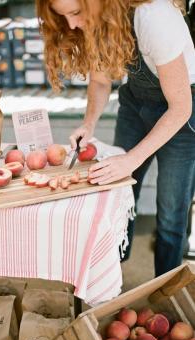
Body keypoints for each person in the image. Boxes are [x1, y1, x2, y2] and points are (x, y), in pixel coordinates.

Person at [36, 0, 195, 277]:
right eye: (64, 17)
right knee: (122, 197)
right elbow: (100, 81)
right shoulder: (100, 19)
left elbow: (180, 107)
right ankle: (111, 281)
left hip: (181, 112)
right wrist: (89, 124)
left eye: (75, 13)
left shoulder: (153, 17)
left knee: (171, 215)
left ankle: (162, 289)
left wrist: (130, 159)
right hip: (135, 104)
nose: (72, 25)